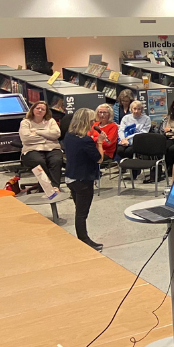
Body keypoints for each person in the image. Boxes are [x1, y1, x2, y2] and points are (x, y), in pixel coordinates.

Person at [62, 108, 104, 251]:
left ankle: (82, 238)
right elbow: (99, 159)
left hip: (70, 178)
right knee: (82, 214)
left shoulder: (69, 136)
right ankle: (84, 240)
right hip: (83, 180)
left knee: (78, 211)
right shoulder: (86, 141)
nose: (94, 123)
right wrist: (99, 142)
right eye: (92, 121)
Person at [20, 100, 63, 188]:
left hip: (52, 148)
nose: (40, 110)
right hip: (32, 149)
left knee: (56, 161)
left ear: (46, 112)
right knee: (39, 161)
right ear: (33, 109)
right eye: (38, 108)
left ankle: (55, 187)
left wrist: (37, 132)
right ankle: (48, 186)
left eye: (43, 109)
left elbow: (56, 134)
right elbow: (26, 138)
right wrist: (47, 136)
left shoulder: (50, 121)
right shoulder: (25, 122)